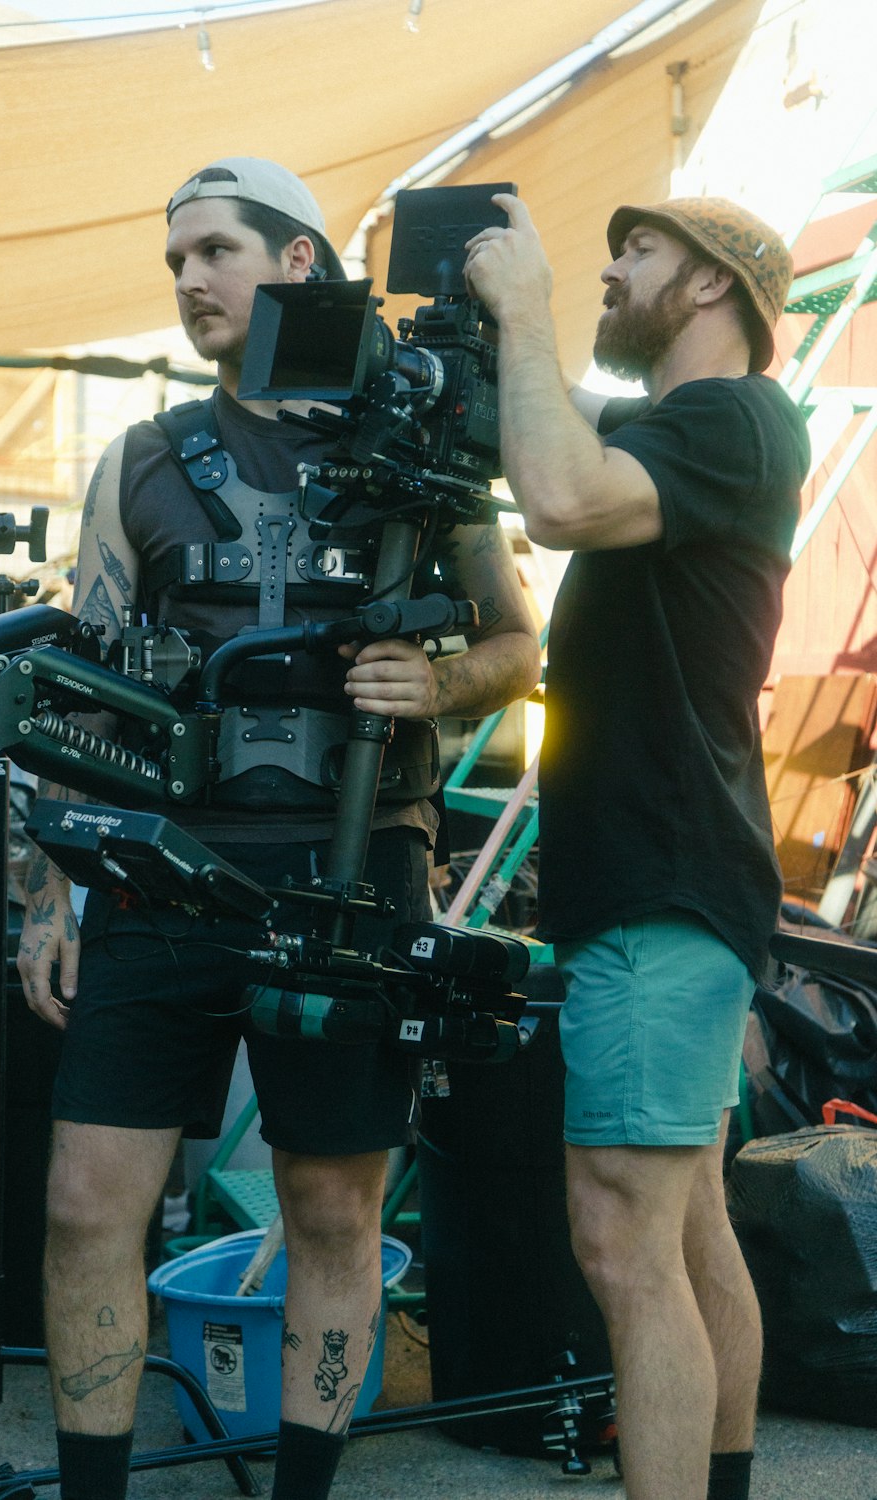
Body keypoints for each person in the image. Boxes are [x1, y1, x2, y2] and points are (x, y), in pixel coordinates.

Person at [16, 156, 540, 1500]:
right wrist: (44, 892)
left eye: (216, 250)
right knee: (86, 1207)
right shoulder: (138, 457)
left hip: (354, 881)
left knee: (329, 1205)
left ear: (298, 261)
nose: (189, 278)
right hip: (157, 882)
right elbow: (78, 685)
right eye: (175, 258)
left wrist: (437, 679)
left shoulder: (426, 445)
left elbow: (517, 646)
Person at [464, 195, 809, 1500]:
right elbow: (548, 431)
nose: (612, 270)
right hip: (675, 879)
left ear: (715, 285)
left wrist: (526, 298)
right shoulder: (695, 432)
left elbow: (552, 497)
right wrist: (489, 357)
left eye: (640, 252)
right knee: (689, 1223)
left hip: (662, 884)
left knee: (622, 1239)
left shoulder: (729, 418)